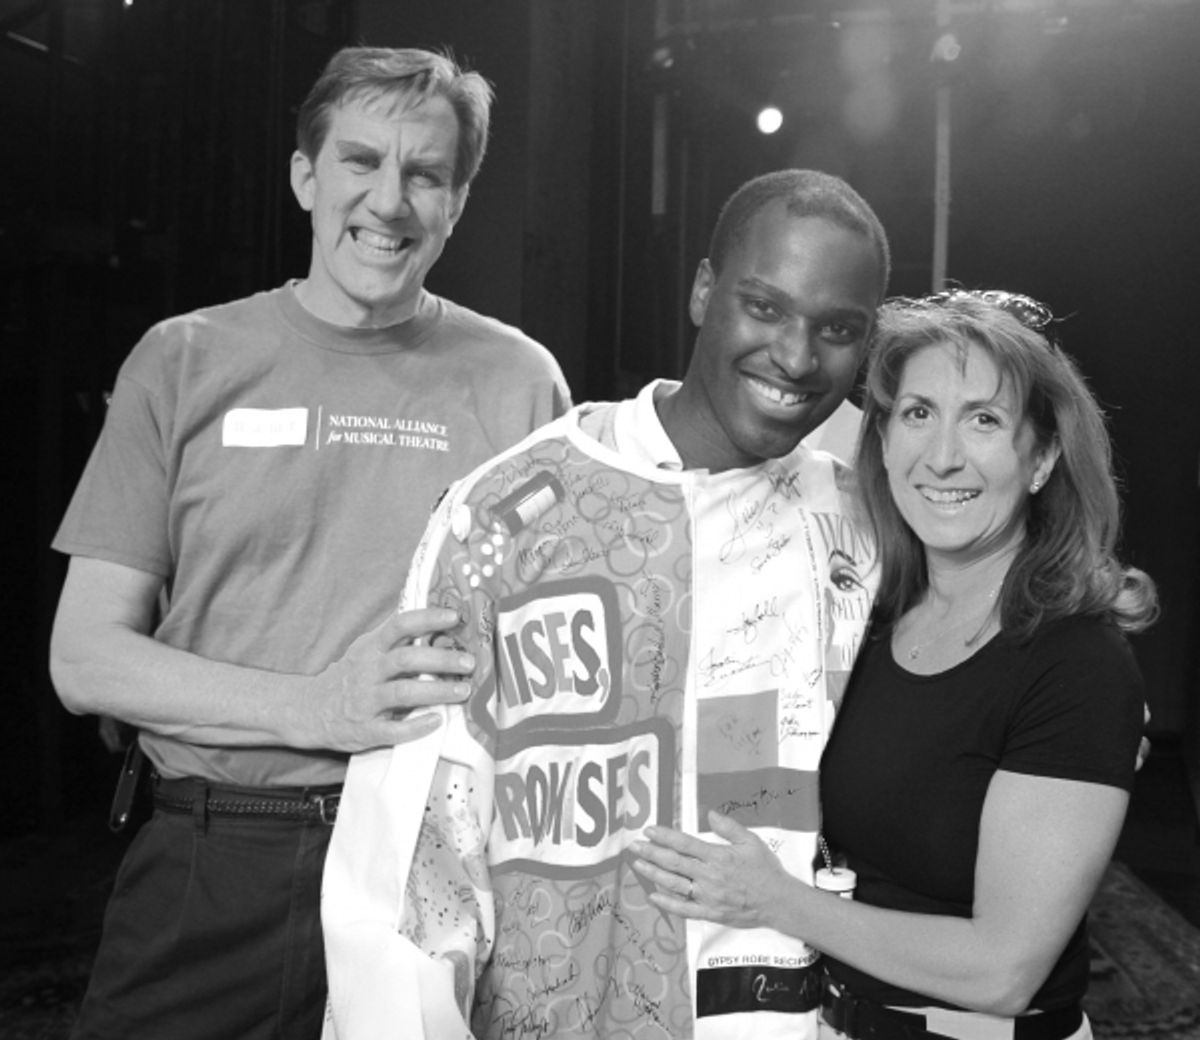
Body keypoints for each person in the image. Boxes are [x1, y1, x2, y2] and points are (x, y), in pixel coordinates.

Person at [48, 46, 569, 1040]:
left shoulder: (520, 380)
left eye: (425, 174)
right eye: (360, 161)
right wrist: (316, 705)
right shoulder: (184, 357)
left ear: (458, 201)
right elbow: (83, 657)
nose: (389, 199)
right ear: (304, 176)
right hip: (215, 854)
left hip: (430, 862)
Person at [319, 168, 890, 1039]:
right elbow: (418, 851)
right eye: (765, 307)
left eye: (837, 329)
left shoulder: (865, 524)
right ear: (704, 291)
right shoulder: (506, 518)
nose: (797, 357)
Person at [632, 289, 1156, 1040]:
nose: (942, 456)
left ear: (1041, 458)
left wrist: (772, 900)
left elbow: (1003, 970)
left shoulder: (1077, 666)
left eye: (984, 419)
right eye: (917, 414)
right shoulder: (867, 617)